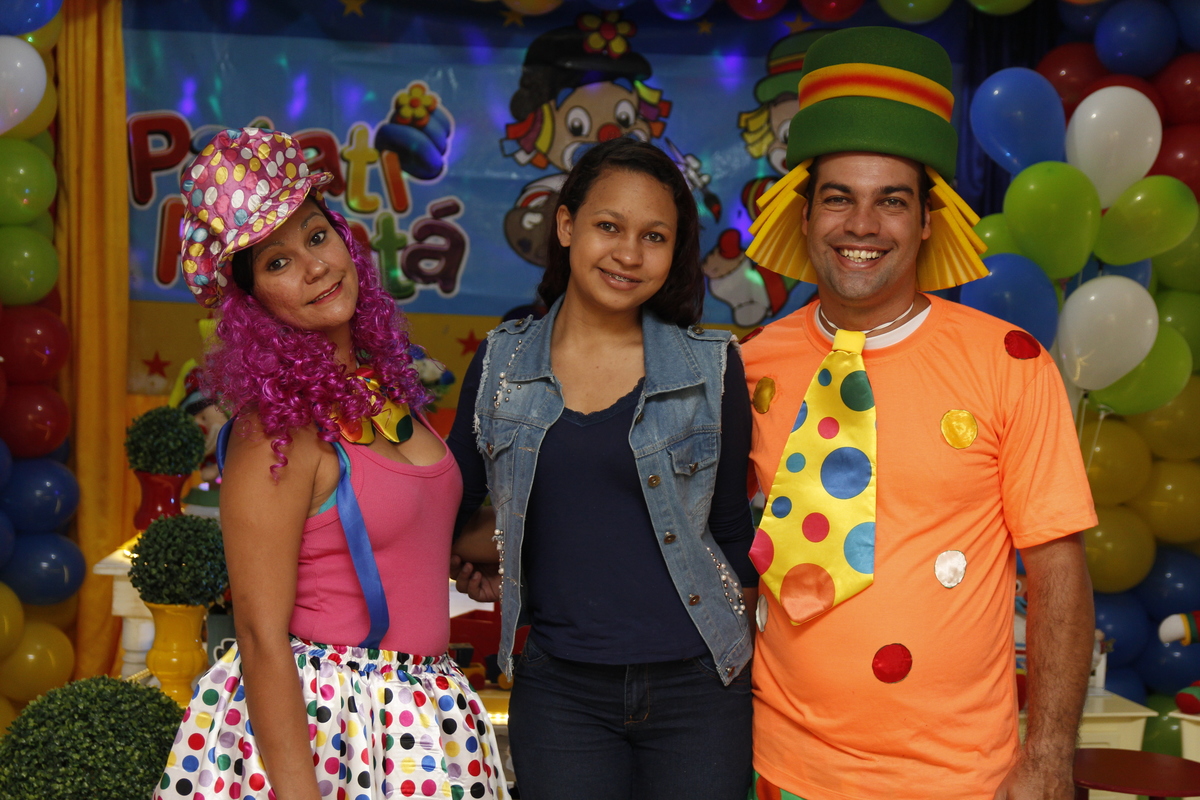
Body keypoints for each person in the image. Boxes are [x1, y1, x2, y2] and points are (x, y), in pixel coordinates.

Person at [739, 28, 1097, 800]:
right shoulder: (751, 366)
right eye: (839, 197)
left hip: (958, 779)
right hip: (777, 768)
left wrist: (1048, 759)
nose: (862, 225)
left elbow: (1058, 569)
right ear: (805, 216)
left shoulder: (1010, 363)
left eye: (891, 201)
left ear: (927, 222)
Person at [153, 128, 506, 800]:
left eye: (317, 236)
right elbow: (259, 635)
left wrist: (477, 560)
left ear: (344, 238)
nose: (314, 267)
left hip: (423, 712)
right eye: (277, 263)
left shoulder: (383, 388)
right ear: (253, 301)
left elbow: (399, 532)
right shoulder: (275, 430)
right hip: (331, 722)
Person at [449, 136, 757, 800]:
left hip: (699, 687)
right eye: (609, 227)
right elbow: (447, 507)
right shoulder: (501, 364)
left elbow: (733, 533)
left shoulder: (712, 368)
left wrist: (748, 666)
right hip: (562, 688)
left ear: (675, 251)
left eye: (654, 237)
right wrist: (498, 554)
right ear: (566, 225)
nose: (628, 254)